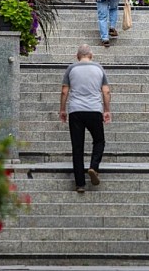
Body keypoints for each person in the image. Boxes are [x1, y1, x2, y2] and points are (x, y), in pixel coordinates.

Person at [60, 44, 112, 193]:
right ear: (91, 55)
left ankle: (80, 184)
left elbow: (64, 91)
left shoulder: (71, 68)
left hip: (76, 111)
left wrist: (63, 110)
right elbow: (106, 91)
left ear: (77, 56)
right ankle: (93, 167)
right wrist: (107, 110)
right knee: (99, 140)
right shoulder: (99, 68)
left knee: (77, 147)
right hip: (94, 110)